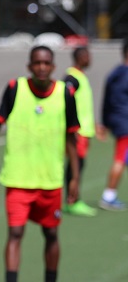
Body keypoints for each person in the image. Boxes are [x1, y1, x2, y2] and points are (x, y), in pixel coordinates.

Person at [0, 45, 80, 282]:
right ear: (29, 66)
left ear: (53, 67)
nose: (41, 67)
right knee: (15, 234)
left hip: (50, 180)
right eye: (37, 63)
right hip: (18, 179)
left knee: (51, 235)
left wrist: (74, 178)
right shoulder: (14, 89)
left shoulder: (65, 94)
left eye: (46, 63)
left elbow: (71, 138)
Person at [62, 46, 98, 217]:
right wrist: (72, 127)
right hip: (77, 132)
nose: (90, 59)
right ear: (81, 57)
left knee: (79, 165)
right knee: (75, 165)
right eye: (88, 55)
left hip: (84, 131)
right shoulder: (72, 78)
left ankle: (74, 199)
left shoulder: (80, 77)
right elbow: (65, 99)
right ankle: (72, 201)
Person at [98, 37, 128, 211]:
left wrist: (105, 122)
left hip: (117, 121)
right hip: (125, 123)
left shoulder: (114, 73)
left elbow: (106, 100)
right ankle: (108, 196)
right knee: (120, 158)